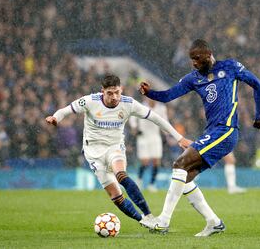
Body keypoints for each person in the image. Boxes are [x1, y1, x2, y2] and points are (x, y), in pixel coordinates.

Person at [139, 39, 260, 236]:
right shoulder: (193, 78)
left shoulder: (230, 67)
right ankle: (213, 222)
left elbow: (257, 84)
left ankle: (163, 221)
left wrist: (259, 116)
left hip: (226, 130)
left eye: (197, 59)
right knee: (185, 178)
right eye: (192, 59)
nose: (194, 63)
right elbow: (168, 96)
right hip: (212, 131)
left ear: (208, 55)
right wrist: (150, 93)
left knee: (180, 163)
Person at [45, 74, 190, 225]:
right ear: (102, 91)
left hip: (115, 147)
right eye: (110, 93)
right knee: (116, 196)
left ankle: (149, 216)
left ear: (121, 89)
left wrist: (179, 138)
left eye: (117, 92)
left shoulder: (129, 103)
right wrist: (55, 118)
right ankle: (142, 220)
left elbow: (157, 119)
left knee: (121, 174)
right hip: (93, 152)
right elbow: (65, 110)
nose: (114, 97)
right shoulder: (89, 101)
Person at [129, 98, 168, 192]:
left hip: (155, 136)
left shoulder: (161, 108)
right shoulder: (141, 106)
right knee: (145, 162)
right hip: (143, 136)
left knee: (156, 161)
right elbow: (132, 117)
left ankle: (152, 184)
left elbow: (165, 120)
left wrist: (166, 133)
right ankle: (139, 180)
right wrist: (134, 127)